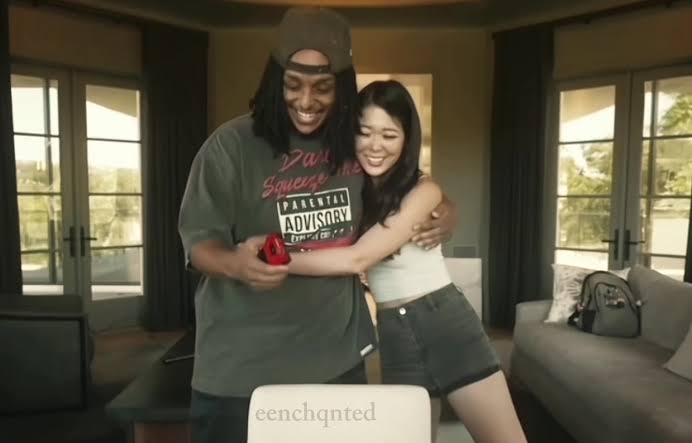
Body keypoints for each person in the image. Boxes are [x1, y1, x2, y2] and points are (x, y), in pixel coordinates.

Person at [177, 7, 457, 443]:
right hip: (240, 370)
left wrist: (445, 210)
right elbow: (199, 244)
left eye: (322, 87)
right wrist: (236, 263)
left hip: (336, 364)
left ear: (342, 86)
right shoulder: (229, 146)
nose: (306, 102)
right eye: (293, 84)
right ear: (275, 80)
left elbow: (409, 187)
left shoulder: (355, 145)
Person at [274, 80, 528, 443]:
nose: (375, 146)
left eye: (389, 135)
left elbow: (358, 257)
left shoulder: (425, 190)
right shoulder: (352, 192)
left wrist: (276, 258)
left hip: (446, 325)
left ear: (407, 140)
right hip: (394, 334)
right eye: (364, 132)